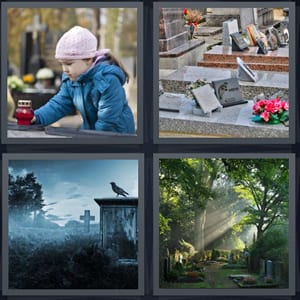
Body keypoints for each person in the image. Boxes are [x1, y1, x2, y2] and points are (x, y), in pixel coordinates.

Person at [31, 26, 135, 133]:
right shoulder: (72, 80)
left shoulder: (107, 80)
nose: (64, 69)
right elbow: (59, 104)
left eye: (69, 64)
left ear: (89, 59)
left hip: (117, 136)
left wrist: (92, 141)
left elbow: (108, 120)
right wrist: (37, 117)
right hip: (93, 133)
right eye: (61, 64)